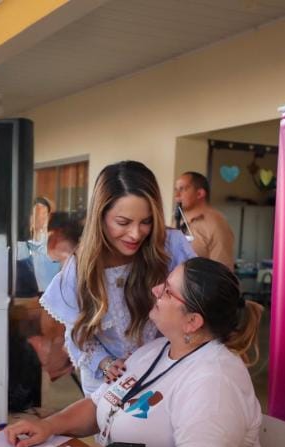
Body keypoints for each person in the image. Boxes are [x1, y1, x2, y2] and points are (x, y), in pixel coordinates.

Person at [7, 257, 267, 447]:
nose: (155, 290)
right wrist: (49, 426)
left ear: (192, 321)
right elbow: (100, 404)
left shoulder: (214, 378)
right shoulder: (157, 350)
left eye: (167, 290)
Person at [40, 161, 196, 396]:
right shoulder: (81, 267)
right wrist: (104, 363)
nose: (135, 234)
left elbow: (196, 308)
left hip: (165, 371)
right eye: (123, 223)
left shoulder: (171, 246)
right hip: (107, 380)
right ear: (100, 217)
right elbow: (79, 333)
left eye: (146, 222)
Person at [174, 171, 235, 270]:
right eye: (175, 189)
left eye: (182, 189)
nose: (176, 195)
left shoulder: (217, 224)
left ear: (199, 193)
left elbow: (223, 272)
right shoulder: (179, 220)